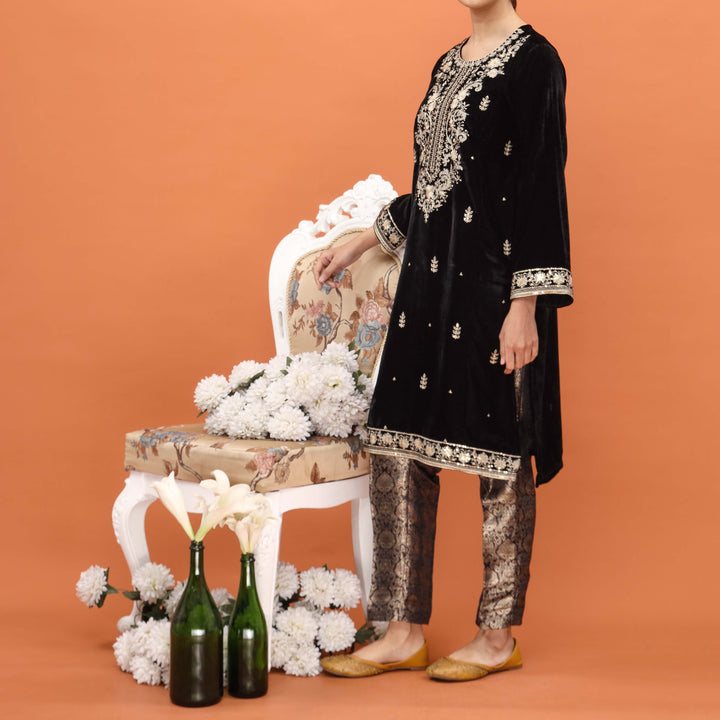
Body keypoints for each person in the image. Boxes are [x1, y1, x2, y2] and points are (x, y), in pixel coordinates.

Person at [313, 0, 572, 682]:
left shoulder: (535, 62)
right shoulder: (447, 62)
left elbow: (538, 184)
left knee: (501, 458)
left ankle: (497, 636)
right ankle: (402, 631)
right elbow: (443, 187)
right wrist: (367, 237)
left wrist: (525, 307)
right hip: (427, 289)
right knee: (398, 447)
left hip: (494, 293)